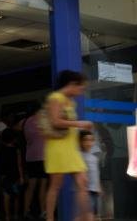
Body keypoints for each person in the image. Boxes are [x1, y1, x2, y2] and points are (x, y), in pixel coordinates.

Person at [44, 70, 94, 221]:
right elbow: (55, 121)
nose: (81, 91)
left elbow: (67, 124)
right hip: (58, 149)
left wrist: (79, 127)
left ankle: (85, 218)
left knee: (82, 183)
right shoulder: (56, 98)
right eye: (81, 88)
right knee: (55, 186)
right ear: (72, 84)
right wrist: (79, 123)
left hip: (71, 149)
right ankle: (50, 218)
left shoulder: (70, 102)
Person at [22, 104, 47, 220]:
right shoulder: (43, 121)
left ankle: (26, 211)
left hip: (30, 158)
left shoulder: (26, 122)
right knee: (43, 185)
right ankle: (43, 211)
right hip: (42, 157)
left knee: (31, 186)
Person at [0, 128, 25, 221]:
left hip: (4, 175)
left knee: (6, 195)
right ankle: (16, 215)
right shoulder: (16, 150)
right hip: (15, 175)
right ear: (14, 139)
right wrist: (21, 177)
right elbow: (19, 164)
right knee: (16, 195)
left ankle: (7, 216)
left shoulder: (1, 149)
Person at [80, 131, 101, 219]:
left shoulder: (94, 158)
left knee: (92, 215)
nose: (88, 142)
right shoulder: (80, 156)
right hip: (86, 191)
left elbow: (96, 173)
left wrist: (99, 187)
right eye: (85, 140)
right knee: (88, 215)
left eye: (91, 140)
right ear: (81, 142)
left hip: (94, 190)